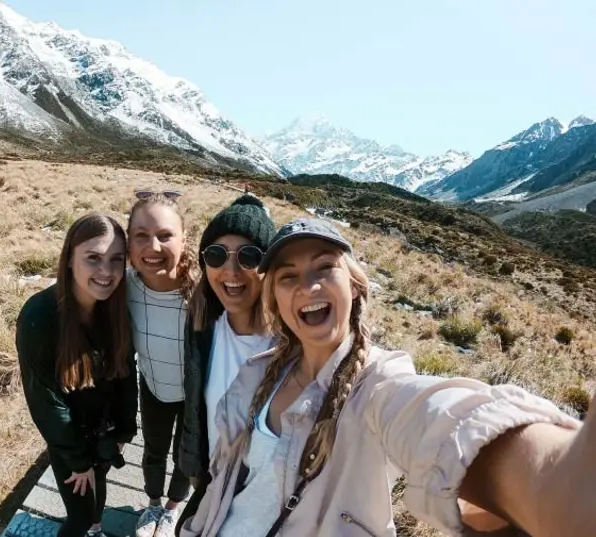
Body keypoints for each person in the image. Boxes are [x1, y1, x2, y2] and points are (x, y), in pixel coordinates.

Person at [179, 217, 593, 537]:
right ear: (276, 299)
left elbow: (433, 417)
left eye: (324, 268)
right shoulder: (259, 373)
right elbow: (228, 480)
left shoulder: (376, 385)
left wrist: (552, 482)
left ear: (355, 286)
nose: (307, 285)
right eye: (288, 276)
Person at [16, 213, 138, 537]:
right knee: (79, 516)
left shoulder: (114, 309)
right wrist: (78, 460)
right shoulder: (39, 316)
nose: (106, 272)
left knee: (98, 499)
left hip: (105, 431)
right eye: (93, 258)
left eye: (116, 260)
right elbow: (44, 400)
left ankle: (96, 529)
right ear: (70, 259)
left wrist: (124, 432)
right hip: (70, 437)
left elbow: (125, 373)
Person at [175, 194, 278, 536]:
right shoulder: (203, 325)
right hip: (209, 479)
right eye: (217, 254)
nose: (231, 271)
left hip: (262, 500)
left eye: (249, 256)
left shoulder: (290, 344)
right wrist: (192, 467)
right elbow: (194, 407)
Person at [126, 189, 198, 537]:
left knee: (185, 455)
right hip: (152, 384)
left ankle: (172, 508)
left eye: (165, 236)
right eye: (141, 236)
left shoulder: (202, 292)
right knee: (153, 449)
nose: (152, 248)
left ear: (184, 240)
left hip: (193, 393)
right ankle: (153, 504)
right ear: (128, 243)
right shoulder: (126, 286)